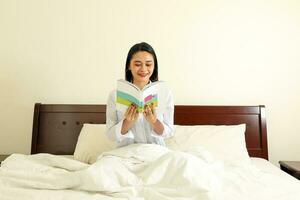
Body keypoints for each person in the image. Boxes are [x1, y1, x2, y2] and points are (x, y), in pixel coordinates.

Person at [106, 42, 174, 147]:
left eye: (148, 64)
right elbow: (110, 135)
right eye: (137, 64)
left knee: (184, 162)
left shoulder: (165, 94)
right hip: (126, 154)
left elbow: (169, 132)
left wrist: (154, 121)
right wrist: (127, 122)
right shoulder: (115, 95)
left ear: (154, 66)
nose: (143, 69)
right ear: (129, 65)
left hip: (155, 152)